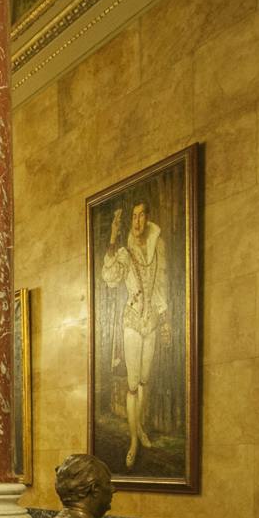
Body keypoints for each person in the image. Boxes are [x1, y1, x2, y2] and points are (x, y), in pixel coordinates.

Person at [100, 201, 170, 470]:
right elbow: (109, 276)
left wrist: (163, 320)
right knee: (131, 383)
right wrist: (113, 238)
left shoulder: (156, 249)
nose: (138, 221)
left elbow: (161, 287)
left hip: (150, 321)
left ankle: (139, 426)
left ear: (148, 218)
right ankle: (133, 441)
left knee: (144, 380)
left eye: (142, 215)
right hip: (131, 321)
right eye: (134, 216)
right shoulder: (125, 252)